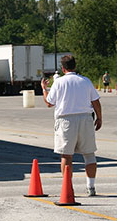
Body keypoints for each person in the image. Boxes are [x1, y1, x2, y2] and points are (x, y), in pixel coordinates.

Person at [41, 55, 102, 196]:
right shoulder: (85, 81)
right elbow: (96, 101)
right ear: (75, 66)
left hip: (66, 120)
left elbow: (49, 102)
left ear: (63, 68)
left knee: (67, 155)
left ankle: (68, 187)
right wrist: (99, 118)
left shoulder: (59, 82)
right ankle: (91, 187)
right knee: (89, 154)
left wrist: (44, 89)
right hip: (85, 118)